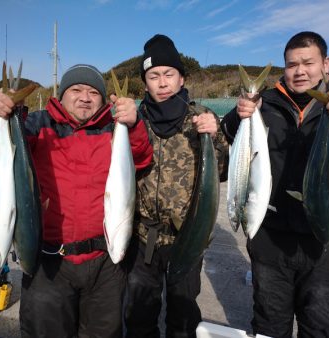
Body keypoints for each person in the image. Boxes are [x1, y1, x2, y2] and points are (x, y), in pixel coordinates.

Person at [221, 31, 329, 338]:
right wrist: (240, 114)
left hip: (327, 243)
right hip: (271, 240)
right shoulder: (266, 100)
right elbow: (231, 133)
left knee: (321, 327)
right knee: (268, 325)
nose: (299, 71)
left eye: (308, 63)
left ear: (326, 64)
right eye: (291, 64)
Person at [0, 64, 153, 338]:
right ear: (61, 95)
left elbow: (141, 157)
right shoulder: (37, 124)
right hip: (49, 262)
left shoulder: (113, 128)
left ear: (104, 99)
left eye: (94, 92)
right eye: (77, 89)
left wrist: (135, 124)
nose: (85, 97)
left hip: (105, 262)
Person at [124, 34, 229, 338]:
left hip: (188, 236)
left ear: (181, 78)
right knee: (139, 314)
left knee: (183, 315)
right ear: (145, 84)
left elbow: (221, 174)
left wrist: (216, 138)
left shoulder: (201, 118)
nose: (162, 82)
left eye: (169, 74)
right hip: (142, 237)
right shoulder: (135, 120)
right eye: (153, 76)